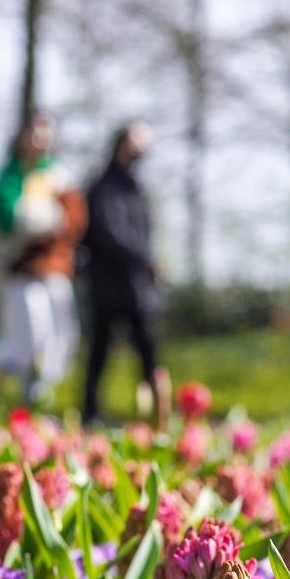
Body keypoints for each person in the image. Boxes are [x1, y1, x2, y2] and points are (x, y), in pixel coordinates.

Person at [0, 111, 86, 411]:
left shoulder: (60, 177)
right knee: (25, 337)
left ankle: (37, 397)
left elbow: (73, 221)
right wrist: (42, 220)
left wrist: (50, 223)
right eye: (33, 132)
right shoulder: (11, 177)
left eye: (45, 132)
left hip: (54, 270)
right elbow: (9, 219)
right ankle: (8, 394)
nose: (40, 139)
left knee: (59, 335)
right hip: (21, 273)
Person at [80, 121, 167, 423]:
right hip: (108, 284)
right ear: (120, 145)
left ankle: (158, 411)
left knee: (147, 349)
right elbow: (107, 233)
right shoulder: (103, 188)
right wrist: (144, 259)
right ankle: (90, 412)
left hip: (137, 286)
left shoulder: (136, 188)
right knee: (100, 351)